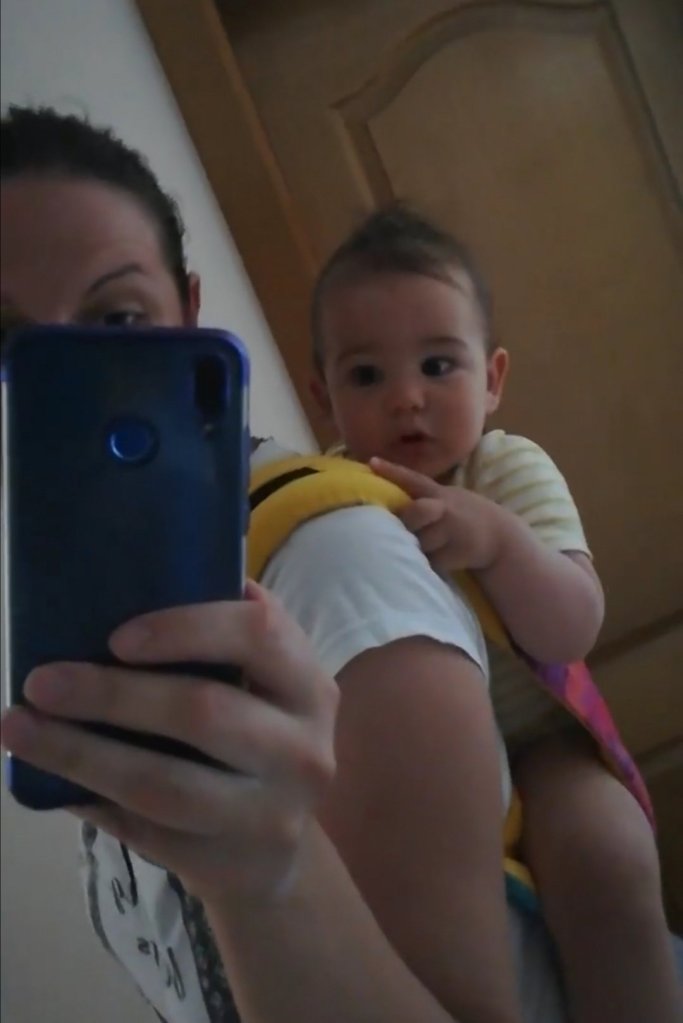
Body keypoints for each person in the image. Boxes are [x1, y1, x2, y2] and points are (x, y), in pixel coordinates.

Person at [0, 105, 538, 1023]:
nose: (60, 376)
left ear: (188, 314)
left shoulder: (337, 566)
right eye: (4, 342)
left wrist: (269, 875)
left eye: (117, 316)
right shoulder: (61, 596)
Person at [308, 204, 683, 1023]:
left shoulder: (503, 468)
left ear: (491, 378)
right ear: (323, 396)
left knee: (610, 854)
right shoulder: (333, 498)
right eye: (366, 376)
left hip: (536, 742)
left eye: (437, 364)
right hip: (420, 769)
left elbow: (571, 627)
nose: (406, 398)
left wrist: (499, 542)